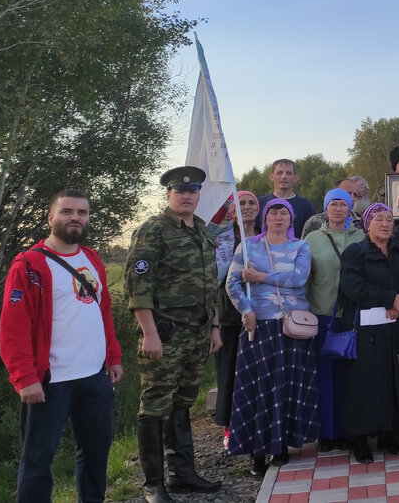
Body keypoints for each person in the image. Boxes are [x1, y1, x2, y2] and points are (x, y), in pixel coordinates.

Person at [0, 190, 123, 503]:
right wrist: (24, 377)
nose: (75, 218)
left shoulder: (92, 258)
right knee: (37, 463)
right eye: (67, 211)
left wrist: (113, 357)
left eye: (82, 212)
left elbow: (102, 312)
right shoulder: (29, 265)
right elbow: (12, 329)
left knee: (95, 455)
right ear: (51, 217)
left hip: (94, 377)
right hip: (50, 382)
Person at [125, 166, 222, 502]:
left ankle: (182, 472)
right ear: (168, 194)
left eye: (192, 190)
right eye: (179, 191)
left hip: (197, 333)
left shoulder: (203, 230)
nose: (186, 195)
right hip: (165, 332)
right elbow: (139, 287)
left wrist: (214, 327)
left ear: (198, 195)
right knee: (154, 406)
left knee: (181, 403)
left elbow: (211, 284)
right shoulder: (154, 230)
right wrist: (149, 333)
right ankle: (154, 484)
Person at [225, 199, 317, 474]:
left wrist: (260, 276)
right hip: (260, 325)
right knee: (260, 389)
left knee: (288, 387)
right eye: (273, 212)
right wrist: (246, 309)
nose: (279, 217)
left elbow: (299, 279)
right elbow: (232, 282)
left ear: (291, 220)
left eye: (284, 213)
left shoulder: (300, 247)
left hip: (293, 326)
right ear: (265, 218)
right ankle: (257, 451)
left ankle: (282, 445)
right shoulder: (248, 246)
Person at [338, 203, 399, 464]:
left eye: (388, 220)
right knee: (365, 382)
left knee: (393, 379)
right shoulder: (354, 253)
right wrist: (389, 299)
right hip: (366, 328)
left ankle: (388, 434)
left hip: (397, 325)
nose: (384, 224)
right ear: (367, 224)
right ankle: (359, 438)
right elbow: (353, 287)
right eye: (378, 219)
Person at [304, 188, 365, 452]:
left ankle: (351, 430)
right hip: (322, 314)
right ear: (326, 209)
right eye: (334, 204)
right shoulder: (312, 239)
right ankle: (327, 433)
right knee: (325, 377)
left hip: (354, 316)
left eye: (343, 204)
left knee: (352, 378)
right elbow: (305, 276)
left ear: (349, 208)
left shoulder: (361, 236)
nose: (338, 209)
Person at [213, 191, 259, 439]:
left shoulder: (265, 236)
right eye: (241, 203)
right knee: (230, 372)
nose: (248, 207)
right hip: (230, 316)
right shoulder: (224, 238)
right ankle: (231, 425)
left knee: (255, 372)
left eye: (252, 202)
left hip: (260, 313)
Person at [258, 159, 315, 239]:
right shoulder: (260, 203)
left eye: (288, 173)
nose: (284, 177)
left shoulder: (305, 205)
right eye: (279, 173)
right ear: (271, 177)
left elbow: (311, 235)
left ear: (295, 178)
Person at [301, 177, 368, 237]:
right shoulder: (314, 222)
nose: (352, 198)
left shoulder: (361, 223)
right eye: (348, 193)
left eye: (355, 195)